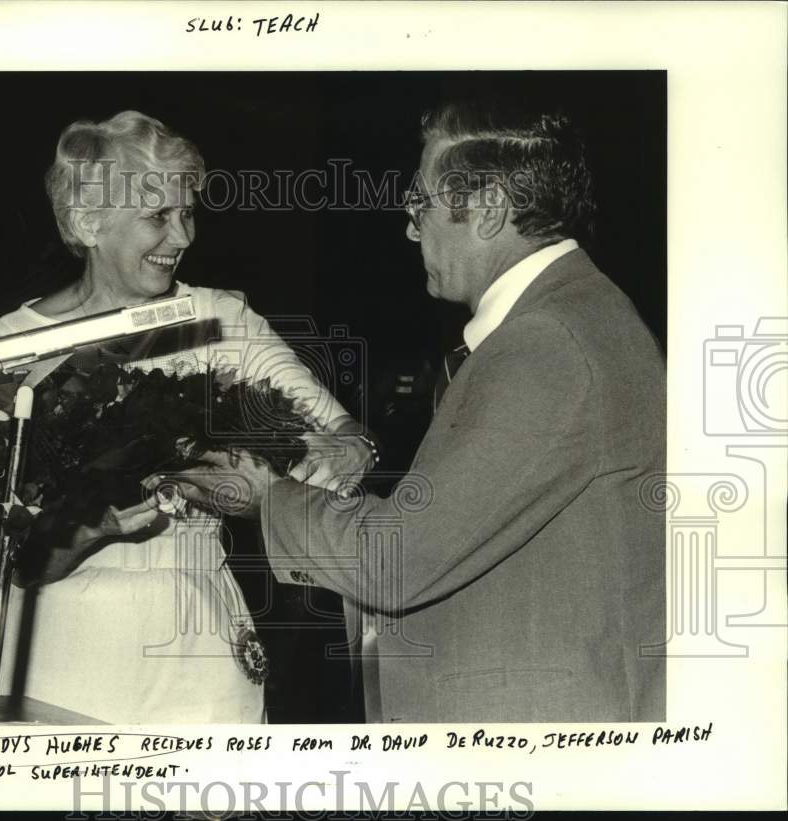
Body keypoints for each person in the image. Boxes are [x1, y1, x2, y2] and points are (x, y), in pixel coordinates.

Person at [172, 101, 667, 723]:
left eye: (420, 205)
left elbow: (399, 561)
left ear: (485, 211)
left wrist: (266, 496)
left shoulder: (547, 344)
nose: (411, 230)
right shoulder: (573, 318)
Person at [0, 110, 374, 724]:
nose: (182, 237)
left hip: (206, 653)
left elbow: (350, 442)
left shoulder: (218, 317)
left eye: (187, 213)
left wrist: (284, 468)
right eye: (158, 216)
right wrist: (93, 528)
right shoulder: (7, 347)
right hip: (66, 663)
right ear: (88, 221)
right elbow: (3, 556)